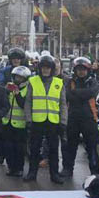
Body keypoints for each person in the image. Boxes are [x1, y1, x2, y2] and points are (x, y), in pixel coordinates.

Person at [24, 54, 67, 184]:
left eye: (48, 68)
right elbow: (28, 102)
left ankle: (54, 174)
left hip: (53, 121)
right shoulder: (33, 81)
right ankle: (32, 173)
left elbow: (63, 104)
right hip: (37, 121)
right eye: (43, 67)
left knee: (54, 150)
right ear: (40, 68)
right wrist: (28, 119)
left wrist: (63, 122)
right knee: (34, 149)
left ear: (52, 69)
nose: (45, 70)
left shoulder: (59, 83)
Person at [61, 57, 99, 177]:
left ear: (88, 70)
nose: (81, 71)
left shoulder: (92, 81)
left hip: (89, 118)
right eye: (78, 69)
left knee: (92, 146)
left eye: (83, 69)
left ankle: (95, 171)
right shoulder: (69, 81)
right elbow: (67, 95)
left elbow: (93, 92)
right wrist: (83, 93)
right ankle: (68, 169)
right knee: (70, 146)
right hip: (72, 117)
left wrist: (76, 93)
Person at [1, 66, 31, 177]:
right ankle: (10, 167)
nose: (18, 79)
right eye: (16, 77)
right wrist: (6, 92)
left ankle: (19, 168)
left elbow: (24, 105)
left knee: (19, 148)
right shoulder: (9, 87)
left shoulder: (27, 89)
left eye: (21, 78)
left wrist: (17, 94)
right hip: (7, 121)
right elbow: (4, 103)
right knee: (7, 147)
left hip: (20, 123)